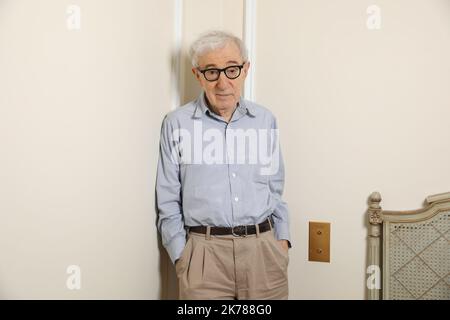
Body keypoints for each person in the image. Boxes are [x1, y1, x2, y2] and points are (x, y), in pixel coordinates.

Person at [156, 30, 291, 300]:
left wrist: (281, 243)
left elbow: (275, 189)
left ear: (245, 70)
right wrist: (182, 257)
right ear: (197, 75)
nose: (223, 82)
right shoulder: (176, 123)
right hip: (203, 260)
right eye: (211, 72)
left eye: (232, 70)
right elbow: (168, 200)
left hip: (264, 255)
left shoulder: (264, 120)